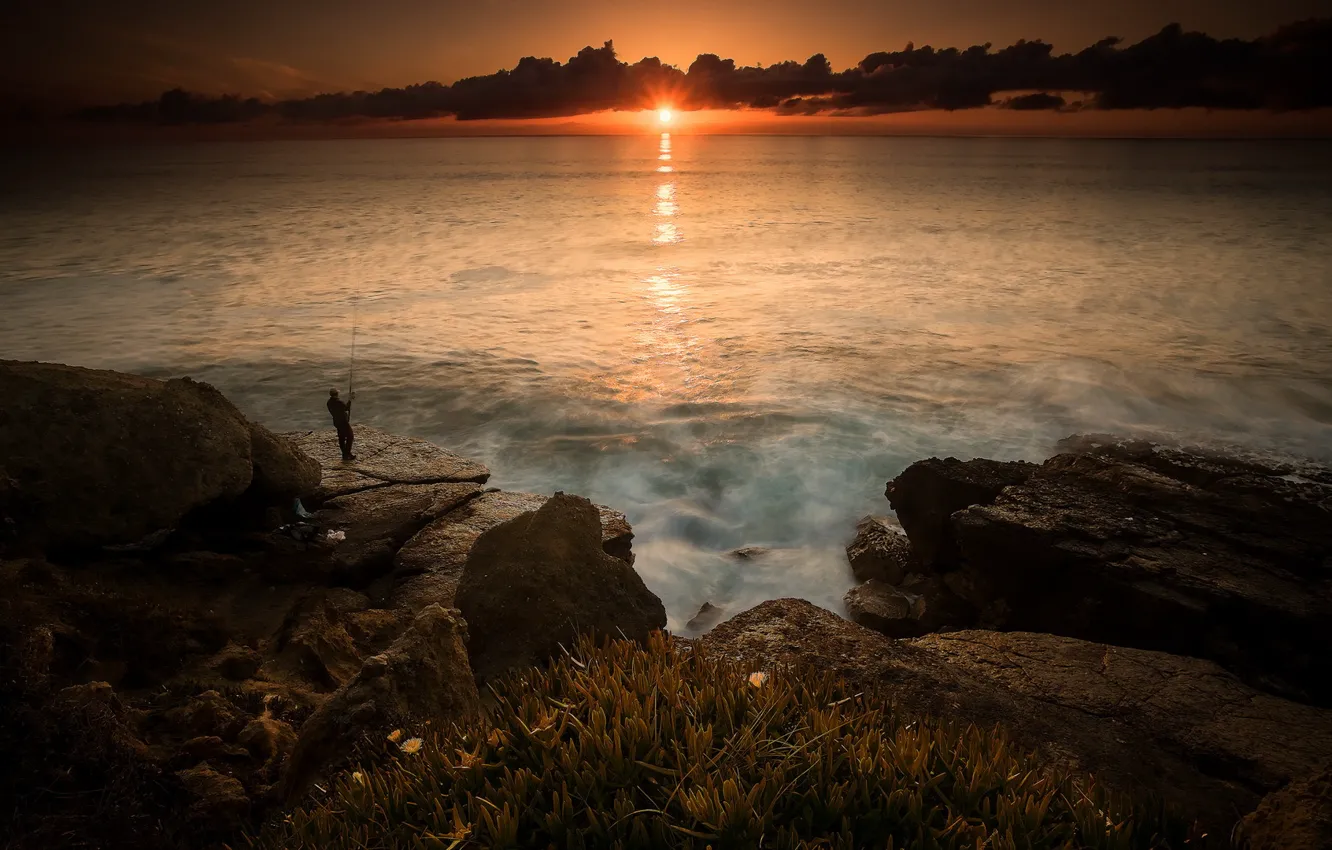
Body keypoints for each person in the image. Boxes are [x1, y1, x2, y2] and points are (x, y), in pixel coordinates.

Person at [327, 388, 356, 461]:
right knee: (350, 436)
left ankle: (344, 454)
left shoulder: (329, 402)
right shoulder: (339, 402)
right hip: (343, 422)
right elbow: (347, 408)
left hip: (336, 422)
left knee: (342, 438)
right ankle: (347, 453)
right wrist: (350, 399)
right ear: (337, 394)